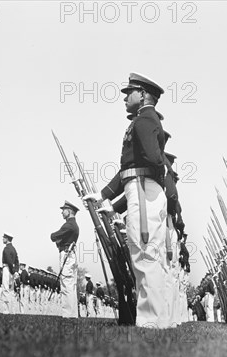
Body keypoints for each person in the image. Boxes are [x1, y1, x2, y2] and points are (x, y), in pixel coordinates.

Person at [84, 72, 170, 328]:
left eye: (129, 93)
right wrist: (103, 196)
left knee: (144, 253)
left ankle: (151, 321)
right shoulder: (143, 120)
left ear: (143, 95)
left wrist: (108, 195)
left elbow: (152, 161)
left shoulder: (144, 120)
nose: (124, 98)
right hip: (140, 187)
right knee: (143, 253)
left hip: (143, 190)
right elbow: (128, 169)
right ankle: (152, 319)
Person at [50, 201, 80, 318]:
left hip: (66, 254)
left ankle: (67, 315)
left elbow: (53, 236)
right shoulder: (73, 225)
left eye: (64, 210)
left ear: (69, 211)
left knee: (66, 284)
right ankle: (72, 314)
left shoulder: (69, 225)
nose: (62, 212)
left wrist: (56, 239)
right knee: (71, 285)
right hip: (71, 254)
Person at [1, 232, 19, 313]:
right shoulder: (14, 249)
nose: (3, 239)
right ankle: (12, 310)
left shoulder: (6, 249)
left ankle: (6, 310)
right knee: (11, 290)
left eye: (4, 238)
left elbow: (8, 261)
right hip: (12, 270)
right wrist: (16, 271)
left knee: (5, 289)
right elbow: (17, 262)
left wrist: (12, 271)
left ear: (7, 239)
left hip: (7, 269)